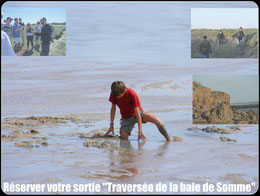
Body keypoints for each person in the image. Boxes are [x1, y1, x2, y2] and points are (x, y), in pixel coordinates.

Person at [105, 81, 172, 142]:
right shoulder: (114, 93)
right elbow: (113, 109)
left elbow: (137, 113)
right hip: (126, 118)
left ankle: (169, 140)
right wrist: (111, 125)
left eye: (119, 96)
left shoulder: (132, 94)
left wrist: (140, 132)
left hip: (139, 113)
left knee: (157, 120)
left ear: (124, 91)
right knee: (124, 137)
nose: (117, 98)